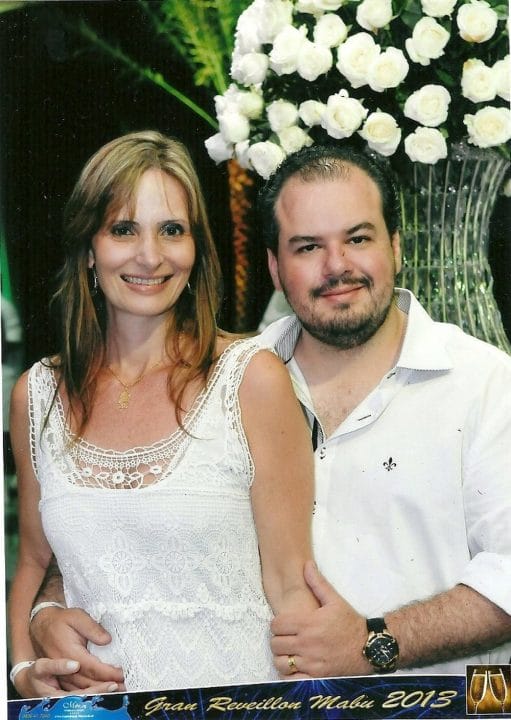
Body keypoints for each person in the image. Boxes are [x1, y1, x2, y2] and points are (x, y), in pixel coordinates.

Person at [26, 143, 511, 681]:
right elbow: (111, 531)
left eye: (358, 238)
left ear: (396, 246)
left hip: (441, 707)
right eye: (308, 247)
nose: (337, 265)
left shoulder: (485, 383)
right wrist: (45, 611)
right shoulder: (230, 378)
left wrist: (375, 641)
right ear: (275, 268)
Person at [8, 130, 318, 698]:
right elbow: (32, 562)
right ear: (89, 247)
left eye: (172, 230)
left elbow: (291, 586)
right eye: (123, 229)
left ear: (196, 248)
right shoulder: (39, 394)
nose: (150, 256)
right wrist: (23, 672)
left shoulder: (251, 377)